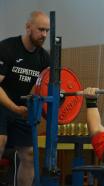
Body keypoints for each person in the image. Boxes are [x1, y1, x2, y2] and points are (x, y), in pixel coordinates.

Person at [0, 11, 50, 186]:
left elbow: (46, 89)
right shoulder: (7, 48)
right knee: (1, 141)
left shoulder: (44, 58)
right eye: (40, 29)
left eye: (47, 31)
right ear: (28, 27)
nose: (44, 35)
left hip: (20, 107)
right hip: (2, 103)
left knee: (29, 154)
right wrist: (13, 108)